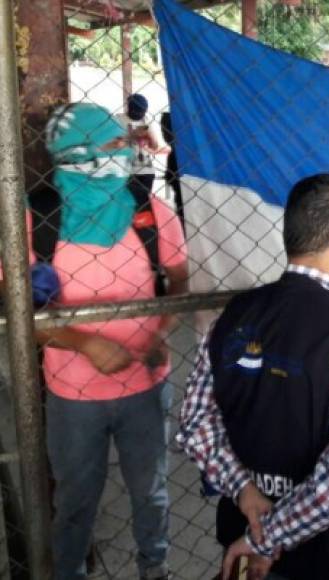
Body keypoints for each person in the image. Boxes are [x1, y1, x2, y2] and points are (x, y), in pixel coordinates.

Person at [178, 174, 329, 580]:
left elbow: (194, 424)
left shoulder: (232, 316)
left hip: (244, 529)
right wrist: (267, 539)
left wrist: (244, 489)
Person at [31, 103, 188, 579]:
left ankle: (154, 568)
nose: (124, 153)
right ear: (75, 153)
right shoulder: (40, 219)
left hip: (145, 384)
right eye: (112, 144)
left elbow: (179, 283)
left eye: (123, 143)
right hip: (73, 395)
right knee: (76, 500)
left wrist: (163, 329)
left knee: (151, 493)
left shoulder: (147, 209)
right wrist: (86, 343)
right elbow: (18, 313)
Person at [122, 93, 162, 209]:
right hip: (126, 168)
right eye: (137, 111)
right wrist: (132, 135)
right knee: (128, 202)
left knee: (143, 203)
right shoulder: (118, 120)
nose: (139, 115)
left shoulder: (146, 121)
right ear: (129, 108)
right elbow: (112, 144)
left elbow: (155, 147)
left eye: (142, 112)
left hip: (145, 167)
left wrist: (150, 136)